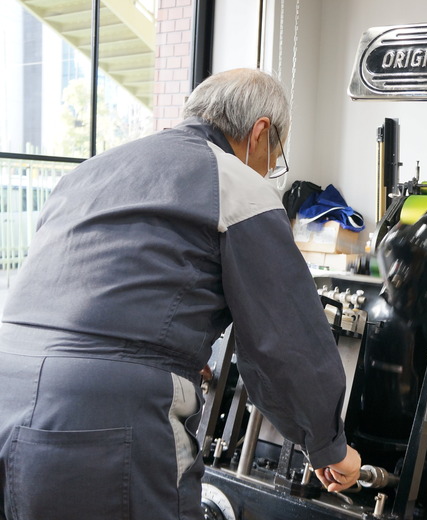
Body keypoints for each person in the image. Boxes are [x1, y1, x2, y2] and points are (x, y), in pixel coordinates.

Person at [0, 68, 360, 520]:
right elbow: (286, 344)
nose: (270, 170)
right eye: (275, 156)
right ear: (260, 131)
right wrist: (328, 445)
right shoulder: (238, 185)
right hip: (109, 415)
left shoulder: (89, 172)